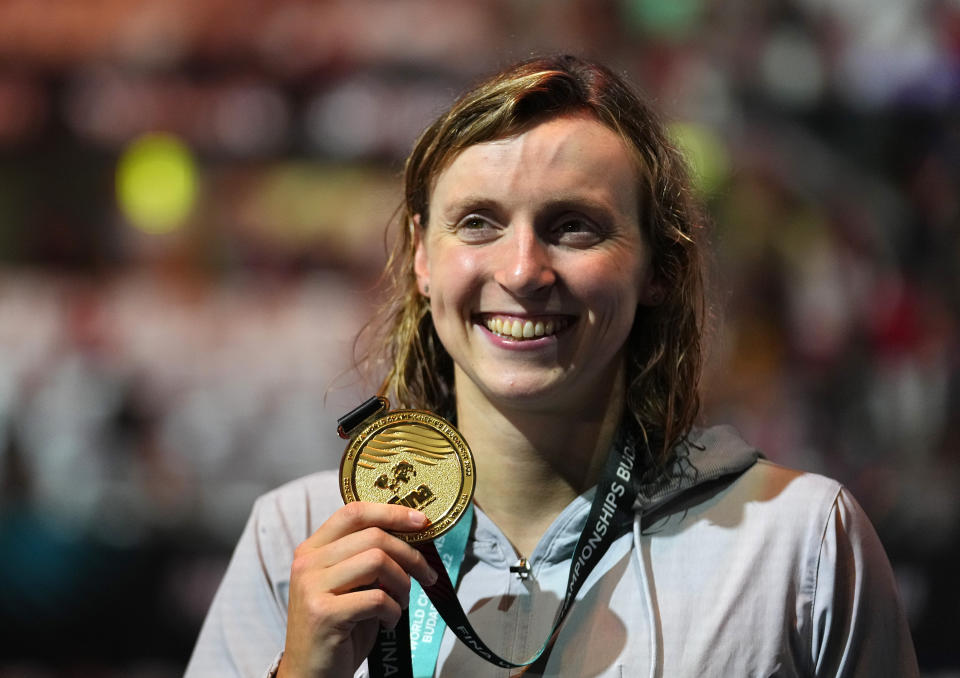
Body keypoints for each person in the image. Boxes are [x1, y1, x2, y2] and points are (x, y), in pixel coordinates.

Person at [185, 55, 919, 677]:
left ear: (657, 267)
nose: (524, 269)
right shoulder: (299, 538)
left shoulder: (797, 544)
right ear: (422, 257)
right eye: (479, 222)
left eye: (575, 227)